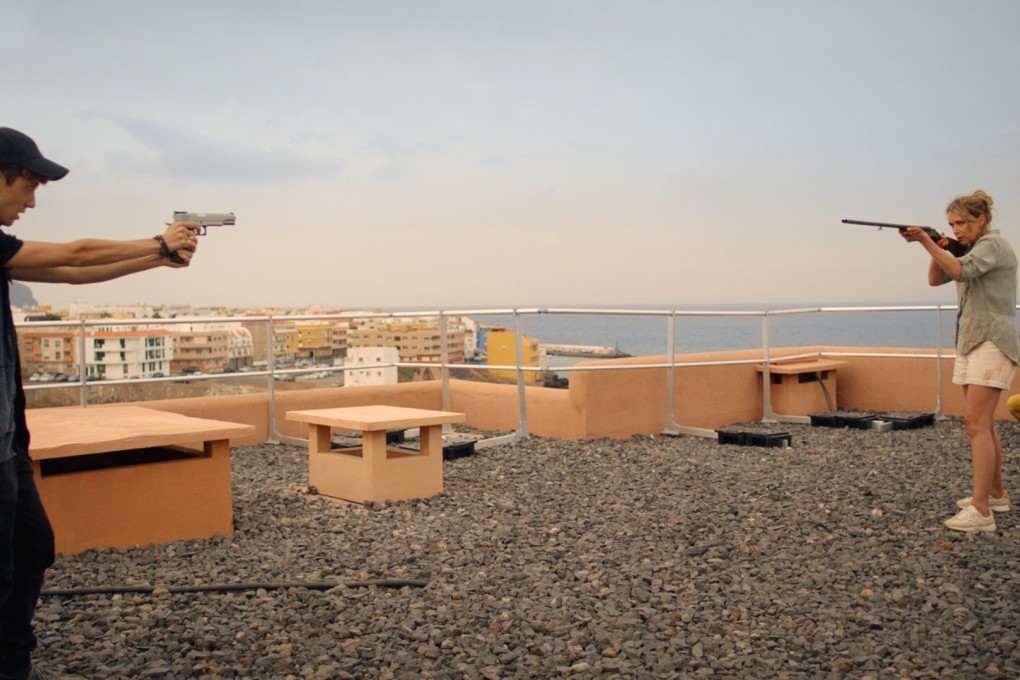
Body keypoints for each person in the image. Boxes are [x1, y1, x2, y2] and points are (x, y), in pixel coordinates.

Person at [0, 127, 199, 680]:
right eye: (29, 185)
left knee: (32, 548)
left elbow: (71, 272)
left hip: (7, 443)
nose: (32, 201)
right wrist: (153, 241)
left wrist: (159, 257)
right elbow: (76, 252)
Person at [901, 190, 1017, 533]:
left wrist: (927, 242)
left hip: (991, 341)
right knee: (984, 423)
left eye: (962, 223)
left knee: (976, 424)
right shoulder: (969, 250)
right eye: (952, 224)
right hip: (972, 340)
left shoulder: (992, 247)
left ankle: (981, 511)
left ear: (981, 220)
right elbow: (936, 277)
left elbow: (960, 274)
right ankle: (995, 494)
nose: (958, 229)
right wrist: (942, 245)